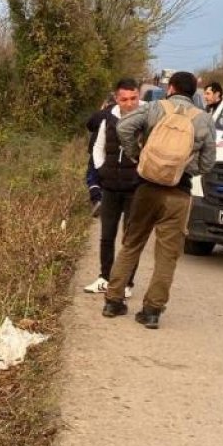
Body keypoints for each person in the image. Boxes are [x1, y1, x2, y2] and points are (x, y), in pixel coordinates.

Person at [101, 71, 217, 329]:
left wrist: (139, 156)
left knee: (131, 244)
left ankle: (113, 301)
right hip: (179, 193)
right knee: (167, 255)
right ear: (194, 92)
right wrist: (184, 169)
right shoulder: (204, 120)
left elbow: (123, 127)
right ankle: (152, 311)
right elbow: (208, 162)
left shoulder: (154, 107)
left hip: (146, 189)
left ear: (171, 87)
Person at [82, 78, 142, 296]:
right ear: (117, 98)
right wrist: (102, 170)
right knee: (107, 235)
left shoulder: (147, 117)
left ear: (139, 95)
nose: (129, 103)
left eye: (133, 98)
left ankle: (126, 282)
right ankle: (105, 277)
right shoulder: (108, 118)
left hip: (135, 188)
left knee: (131, 237)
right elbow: (98, 148)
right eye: (124, 99)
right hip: (110, 187)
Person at [83, 95, 117, 217]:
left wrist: (101, 111)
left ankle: (97, 199)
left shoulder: (102, 113)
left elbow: (89, 126)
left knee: (92, 175)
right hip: (114, 152)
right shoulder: (122, 114)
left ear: (106, 103)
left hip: (97, 150)